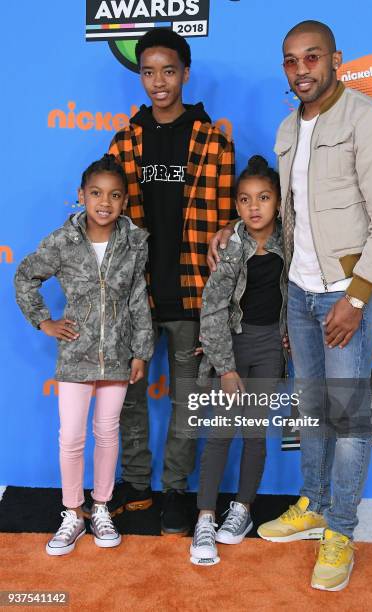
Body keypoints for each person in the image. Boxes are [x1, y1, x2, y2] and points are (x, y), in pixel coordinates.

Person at [208, 21, 372, 590]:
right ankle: (316, 503)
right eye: (291, 61)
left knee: (346, 419)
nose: (302, 70)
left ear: (335, 60)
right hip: (299, 292)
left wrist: (357, 296)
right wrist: (235, 226)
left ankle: (340, 529)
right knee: (314, 409)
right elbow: (286, 210)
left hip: (346, 295)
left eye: (312, 58)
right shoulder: (287, 128)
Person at [108, 28, 235, 535]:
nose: (158, 82)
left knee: (188, 401)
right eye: (147, 71)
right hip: (135, 295)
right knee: (130, 399)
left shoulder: (212, 142)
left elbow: (231, 221)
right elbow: (106, 218)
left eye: (168, 70)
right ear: (138, 76)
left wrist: (227, 230)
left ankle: (176, 491)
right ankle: (137, 486)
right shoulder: (124, 141)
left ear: (184, 73)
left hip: (192, 294)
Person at [14, 155, 154, 556]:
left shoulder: (133, 241)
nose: (104, 202)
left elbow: (137, 302)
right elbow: (25, 277)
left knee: (108, 432)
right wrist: (45, 322)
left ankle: (102, 506)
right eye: (95, 193)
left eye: (113, 195)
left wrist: (141, 351)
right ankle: (73, 512)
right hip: (75, 355)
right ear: (81, 196)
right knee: (72, 436)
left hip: (118, 355)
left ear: (125, 201)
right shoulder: (62, 240)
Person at [190, 156, 286, 566]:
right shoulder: (231, 248)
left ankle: (242, 509)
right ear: (236, 207)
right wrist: (225, 367)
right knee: (221, 433)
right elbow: (211, 309)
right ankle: (206, 517)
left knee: (253, 434)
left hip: (271, 348)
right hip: (234, 345)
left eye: (264, 198)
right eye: (245, 200)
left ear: (280, 203)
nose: (255, 207)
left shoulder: (291, 239)